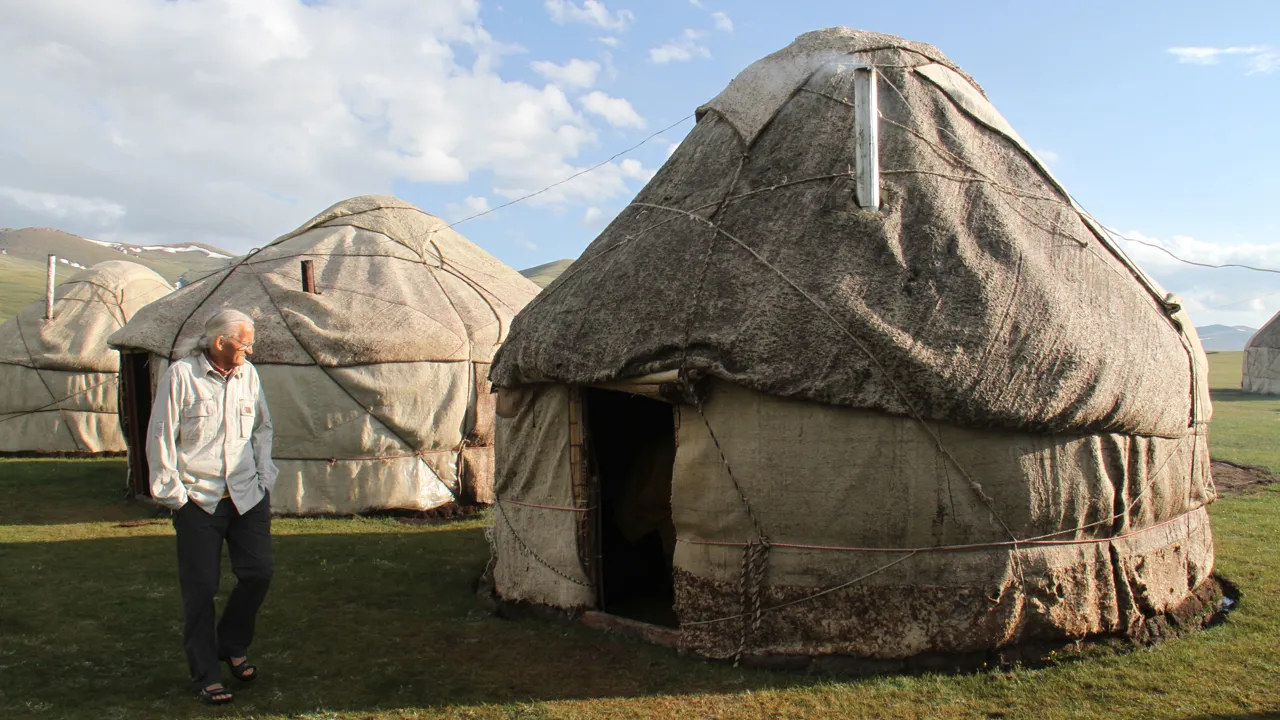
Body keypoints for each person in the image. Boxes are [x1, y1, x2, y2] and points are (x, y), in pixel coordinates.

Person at [147, 308, 278, 705]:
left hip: (246, 494)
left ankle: (232, 643)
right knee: (200, 588)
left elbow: (262, 427)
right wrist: (175, 495)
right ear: (220, 342)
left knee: (259, 572)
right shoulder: (181, 376)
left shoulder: (247, 375)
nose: (250, 351)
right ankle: (206, 675)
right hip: (199, 498)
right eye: (245, 343)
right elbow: (161, 434)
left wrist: (264, 477)